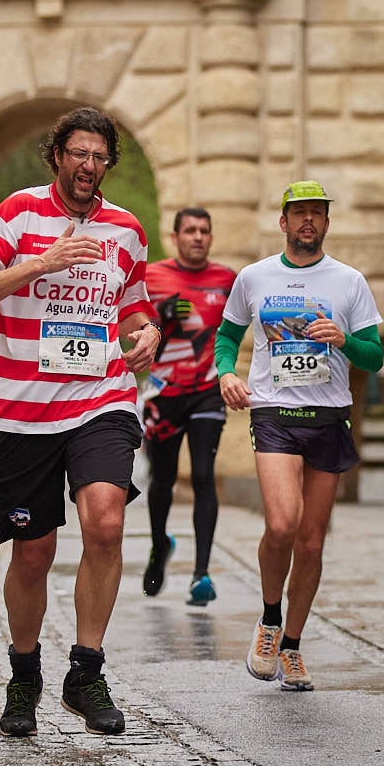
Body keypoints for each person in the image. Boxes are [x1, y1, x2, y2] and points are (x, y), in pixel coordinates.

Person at [0, 106, 161, 737]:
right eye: (79, 154)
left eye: (100, 158)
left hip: (101, 399)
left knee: (106, 520)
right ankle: (24, 675)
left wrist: (146, 333)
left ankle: (86, 668)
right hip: (21, 409)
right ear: (58, 156)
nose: (89, 167)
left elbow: (134, 307)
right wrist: (41, 263)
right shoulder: (17, 213)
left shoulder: (126, 230)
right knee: (34, 550)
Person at [216, 180, 384, 691]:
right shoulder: (254, 277)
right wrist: (227, 373)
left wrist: (346, 340)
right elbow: (227, 336)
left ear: (327, 223)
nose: (308, 220)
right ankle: (269, 618)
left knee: (311, 544)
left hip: (328, 418)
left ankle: (291, 645)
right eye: (299, 212)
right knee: (283, 524)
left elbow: (374, 356)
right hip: (274, 415)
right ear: (283, 222)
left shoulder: (349, 281)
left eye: (317, 213)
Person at [140, 207, 237, 606]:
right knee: (162, 481)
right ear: (175, 236)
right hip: (163, 393)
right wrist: (159, 316)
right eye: (190, 231)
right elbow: (128, 323)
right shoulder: (152, 277)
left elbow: (242, 326)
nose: (197, 237)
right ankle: (159, 545)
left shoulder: (227, 280)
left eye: (204, 231)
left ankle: (201, 574)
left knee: (201, 475)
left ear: (211, 238)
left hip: (206, 392)